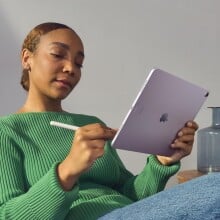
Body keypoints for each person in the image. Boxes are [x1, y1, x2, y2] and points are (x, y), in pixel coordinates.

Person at [0, 22, 216, 220]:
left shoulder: (90, 123)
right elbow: (7, 215)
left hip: (129, 212)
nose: (71, 68)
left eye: (79, 63)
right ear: (27, 58)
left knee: (214, 183)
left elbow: (130, 195)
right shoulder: (7, 131)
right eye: (58, 55)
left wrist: (162, 161)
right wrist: (66, 171)